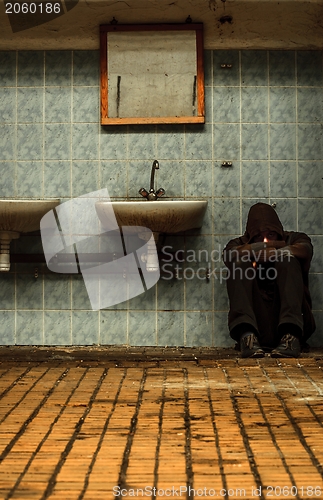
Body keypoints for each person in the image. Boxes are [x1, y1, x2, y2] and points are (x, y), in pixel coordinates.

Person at [222, 202, 315, 358]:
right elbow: (228, 255)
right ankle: (247, 337)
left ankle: (290, 338)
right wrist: (256, 251)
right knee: (239, 261)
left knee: (288, 258)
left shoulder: (294, 238)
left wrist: (276, 251)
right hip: (256, 324)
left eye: (271, 235)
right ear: (250, 236)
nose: (265, 240)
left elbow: (305, 250)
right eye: (258, 236)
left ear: (279, 231)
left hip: (294, 325)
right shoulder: (240, 243)